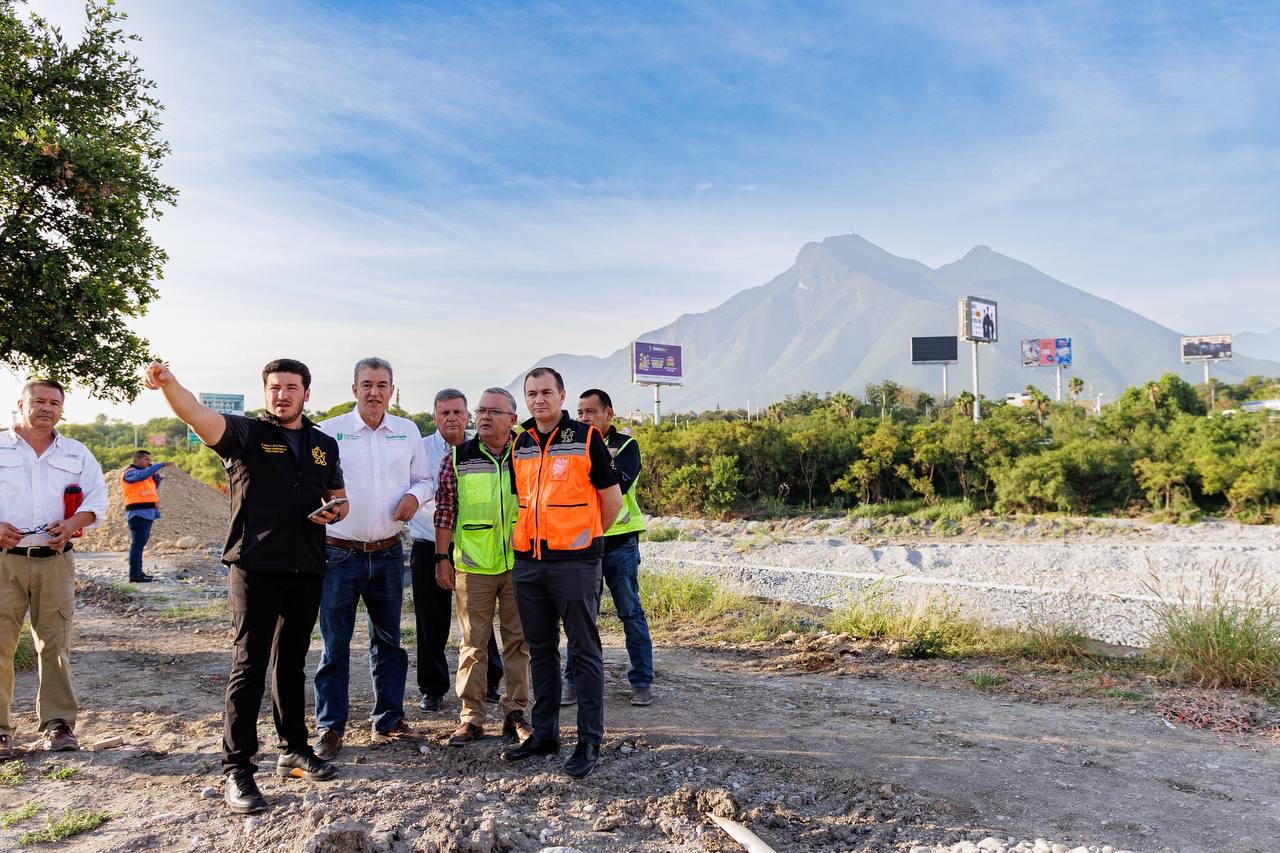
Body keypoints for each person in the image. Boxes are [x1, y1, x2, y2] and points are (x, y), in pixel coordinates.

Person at [144, 359, 348, 815]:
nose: (282, 395)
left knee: (292, 661)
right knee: (249, 665)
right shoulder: (245, 435)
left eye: (291, 388)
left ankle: (294, 748)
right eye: (275, 388)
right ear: (266, 393)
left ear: (306, 394)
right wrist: (171, 385)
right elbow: (196, 414)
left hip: (307, 567)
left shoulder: (323, 444)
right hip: (254, 567)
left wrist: (337, 511)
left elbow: (337, 496)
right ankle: (237, 769)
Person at [502, 367, 621, 779]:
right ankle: (545, 734)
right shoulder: (520, 443)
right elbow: (525, 500)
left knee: (584, 651)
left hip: (575, 562)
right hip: (529, 562)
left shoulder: (587, 438)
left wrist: (586, 540)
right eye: (532, 393)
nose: (539, 400)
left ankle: (589, 739)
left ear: (562, 394)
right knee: (541, 651)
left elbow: (611, 501)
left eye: (546, 392)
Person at [313, 358, 431, 760]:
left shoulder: (407, 431)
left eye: (382, 385)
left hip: (386, 553)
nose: (374, 392)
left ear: (392, 389)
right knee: (335, 644)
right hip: (337, 553)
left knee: (389, 642)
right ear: (354, 389)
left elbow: (425, 478)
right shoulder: (329, 432)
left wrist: (416, 496)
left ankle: (390, 719)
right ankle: (330, 727)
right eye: (367, 384)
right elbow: (308, 483)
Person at [0, 379, 108, 759]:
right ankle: (0, 730)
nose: (46, 408)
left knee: (55, 645)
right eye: (39, 401)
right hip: (3, 562)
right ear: (21, 404)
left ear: (61, 409)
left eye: (54, 403)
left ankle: (58, 725)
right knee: (0, 645)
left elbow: (97, 500)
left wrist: (74, 523)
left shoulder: (77, 453)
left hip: (56, 562)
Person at [433, 388, 532, 747]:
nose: (485, 416)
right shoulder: (458, 458)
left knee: (518, 643)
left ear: (512, 419)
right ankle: (471, 718)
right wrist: (441, 559)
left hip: (520, 564)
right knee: (473, 644)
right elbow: (445, 512)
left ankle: (515, 713)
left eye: (494, 411)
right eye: (481, 410)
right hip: (473, 568)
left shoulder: (527, 455)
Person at [408, 390, 504, 712]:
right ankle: (432, 688)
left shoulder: (481, 445)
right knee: (430, 621)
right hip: (428, 546)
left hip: (474, 548)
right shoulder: (419, 449)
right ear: (435, 416)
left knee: (479, 620)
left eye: (458, 412)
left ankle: (490, 681)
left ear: (468, 416)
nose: (452, 418)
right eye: (444, 413)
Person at [562, 389, 653, 707]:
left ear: (608, 414)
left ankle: (642, 681)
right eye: (580, 412)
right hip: (583, 544)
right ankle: (573, 682)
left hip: (619, 543)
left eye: (590, 412)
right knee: (580, 616)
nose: (584, 418)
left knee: (630, 613)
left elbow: (618, 484)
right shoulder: (572, 445)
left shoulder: (627, 445)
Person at [121, 449, 174, 583]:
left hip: (146, 513)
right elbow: (141, 476)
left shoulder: (146, 475)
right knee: (137, 545)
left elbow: (151, 489)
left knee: (139, 545)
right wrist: (160, 465)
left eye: (150, 460)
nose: (150, 462)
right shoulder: (130, 473)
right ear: (137, 460)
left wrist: (156, 478)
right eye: (146, 460)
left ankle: (138, 573)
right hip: (138, 514)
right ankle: (135, 575)